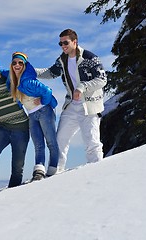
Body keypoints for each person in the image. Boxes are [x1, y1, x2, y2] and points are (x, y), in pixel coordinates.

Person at [35, 28, 107, 171]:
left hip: (89, 106)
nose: (63, 46)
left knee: (92, 142)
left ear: (75, 42)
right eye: (60, 44)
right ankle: (56, 171)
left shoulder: (90, 58)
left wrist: (82, 87)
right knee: (60, 140)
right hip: (72, 106)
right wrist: (31, 71)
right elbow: (51, 72)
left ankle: (98, 172)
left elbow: (102, 79)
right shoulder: (62, 60)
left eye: (65, 43)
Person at [0, 54, 30, 194]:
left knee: (18, 165)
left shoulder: (10, 79)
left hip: (21, 127)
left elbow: (20, 71)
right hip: (1, 128)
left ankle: (12, 192)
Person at [8, 52, 59, 180]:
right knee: (38, 145)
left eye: (20, 62)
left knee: (51, 142)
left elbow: (47, 91)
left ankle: (53, 170)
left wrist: (42, 101)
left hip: (44, 111)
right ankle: (39, 172)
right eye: (14, 63)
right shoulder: (14, 81)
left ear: (25, 65)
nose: (17, 65)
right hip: (32, 115)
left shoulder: (28, 80)